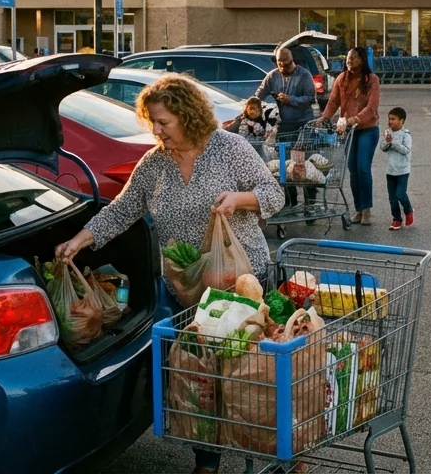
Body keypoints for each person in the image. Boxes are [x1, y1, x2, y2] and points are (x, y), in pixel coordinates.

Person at [53, 75, 283, 474]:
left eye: (164, 122)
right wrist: (80, 240)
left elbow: (274, 194)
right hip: (186, 290)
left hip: (240, 283)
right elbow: (122, 210)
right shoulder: (155, 162)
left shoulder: (231, 149)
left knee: (245, 375)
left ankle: (277, 450)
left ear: (188, 116)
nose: (156, 130)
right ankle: (207, 461)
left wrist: (239, 200)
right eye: (152, 122)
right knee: (198, 375)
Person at [318, 46, 381, 225]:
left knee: (363, 167)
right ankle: (359, 209)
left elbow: (371, 108)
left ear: (361, 59)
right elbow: (333, 102)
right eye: (348, 57)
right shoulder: (342, 79)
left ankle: (367, 209)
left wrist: (354, 119)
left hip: (368, 129)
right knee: (353, 169)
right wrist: (324, 118)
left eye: (353, 57)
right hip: (349, 132)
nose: (349, 60)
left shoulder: (371, 80)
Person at [254, 46, 318, 207]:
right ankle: (291, 202)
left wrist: (291, 100)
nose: (283, 67)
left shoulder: (304, 75)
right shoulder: (273, 76)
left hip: (304, 124)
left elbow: (311, 98)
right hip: (284, 126)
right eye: (279, 64)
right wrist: (251, 110)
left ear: (293, 61)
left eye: (287, 64)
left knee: (305, 166)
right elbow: (258, 95)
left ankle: (310, 204)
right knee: (285, 166)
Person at [380, 106, 414, 231]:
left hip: (403, 171)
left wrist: (394, 144)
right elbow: (382, 147)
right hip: (390, 171)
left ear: (402, 121)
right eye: (389, 119)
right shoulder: (387, 133)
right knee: (392, 198)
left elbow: (406, 150)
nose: (390, 122)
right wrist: (387, 143)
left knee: (400, 194)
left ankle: (408, 210)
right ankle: (396, 219)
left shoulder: (406, 135)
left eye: (393, 119)